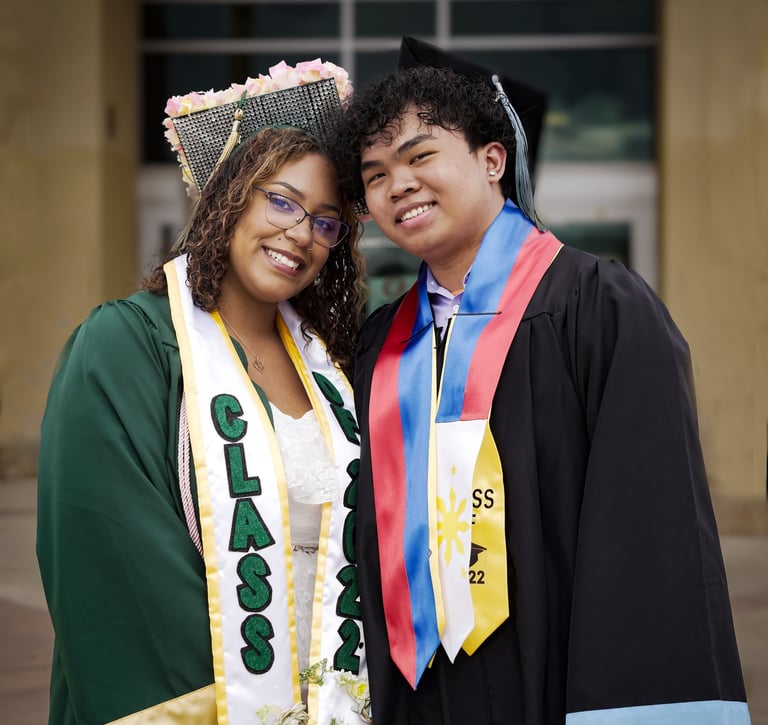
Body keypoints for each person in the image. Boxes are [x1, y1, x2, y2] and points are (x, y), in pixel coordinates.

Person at [328, 40, 751, 724]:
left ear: (493, 160)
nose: (397, 184)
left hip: (560, 682)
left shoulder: (596, 306)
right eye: (375, 175)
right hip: (417, 694)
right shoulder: (381, 343)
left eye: (420, 156)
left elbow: (646, 530)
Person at [36, 60, 370, 725]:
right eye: (282, 201)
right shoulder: (128, 345)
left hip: (332, 692)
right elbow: (114, 547)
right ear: (229, 196)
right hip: (210, 691)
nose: (300, 234)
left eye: (326, 222)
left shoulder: (333, 366)